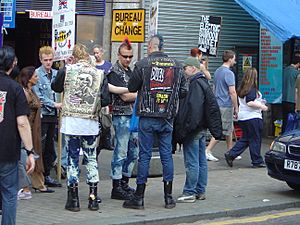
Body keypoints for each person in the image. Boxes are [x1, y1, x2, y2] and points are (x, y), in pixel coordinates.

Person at [123, 35, 188, 210]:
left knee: (144, 155)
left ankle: (139, 197)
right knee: (167, 155)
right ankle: (168, 198)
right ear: (162, 47)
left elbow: (131, 87)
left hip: (147, 115)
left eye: (148, 47)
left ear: (151, 47)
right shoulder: (177, 65)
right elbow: (184, 90)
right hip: (167, 116)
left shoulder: (143, 64)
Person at [174, 57, 222, 203]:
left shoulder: (194, 84)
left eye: (185, 67)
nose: (183, 70)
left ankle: (189, 192)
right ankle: (200, 190)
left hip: (193, 130)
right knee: (201, 161)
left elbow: (193, 110)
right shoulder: (202, 82)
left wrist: (185, 130)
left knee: (192, 162)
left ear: (193, 68)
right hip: (201, 129)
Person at [0, 45, 35, 225]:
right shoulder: (15, 89)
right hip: (6, 149)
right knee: (9, 194)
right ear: (11, 65)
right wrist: (30, 151)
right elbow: (22, 122)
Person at [107, 38, 139, 201]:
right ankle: (116, 186)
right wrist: (140, 94)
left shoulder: (130, 72)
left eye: (130, 56)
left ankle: (124, 182)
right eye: (125, 56)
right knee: (120, 151)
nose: (128, 59)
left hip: (133, 116)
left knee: (133, 152)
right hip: (121, 116)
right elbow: (126, 96)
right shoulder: (114, 72)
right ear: (118, 55)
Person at [18, 66, 55, 193]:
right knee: (26, 155)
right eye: (35, 76)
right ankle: (26, 187)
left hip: (34, 127)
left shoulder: (31, 90)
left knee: (36, 153)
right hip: (26, 127)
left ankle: (37, 184)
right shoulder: (24, 92)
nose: (37, 77)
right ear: (29, 78)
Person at [224, 68, 268, 168]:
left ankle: (231, 154)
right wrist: (262, 106)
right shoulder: (252, 88)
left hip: (243, 117)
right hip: (253, 117)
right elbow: (250, 102)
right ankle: (257, 161)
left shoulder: (242, 88)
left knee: (246, 139)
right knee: (255, 139)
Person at [32, 46, 62, 188]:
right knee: (42, 145)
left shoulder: (56, 73)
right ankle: (39, 175)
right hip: (43, 114)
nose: (48, 63)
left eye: (50, 60)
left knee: (50, 145)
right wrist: (54, 104)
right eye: (46, 60)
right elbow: (39, 97)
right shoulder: (37, 74)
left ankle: (47, 174)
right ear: (41, 60)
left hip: (54, 115)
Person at [205, 50, 239, 162]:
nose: (235, 61)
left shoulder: (218, 71)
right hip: (226, 104)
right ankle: (207, 150)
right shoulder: (229, 73)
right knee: (221, 130)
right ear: (230, 59)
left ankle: (231, 151)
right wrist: (236, 107)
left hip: (218, 102)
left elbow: (214, 88)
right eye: (234, 58)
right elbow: (232, 92)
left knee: (229, 128)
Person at [93, 45, 114, 153]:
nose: (96, 55)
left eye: (97, 52)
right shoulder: (92, 65)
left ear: (102, 53)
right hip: (95, 99)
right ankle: (96, 148)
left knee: (105, 123)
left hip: (105, 99)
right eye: (94, 53)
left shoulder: (108, 66)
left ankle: (105, 141)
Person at [282, 56, 300, 133]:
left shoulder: (284, 70)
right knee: (293, 121)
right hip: (292, 99)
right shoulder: (297, 73)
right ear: (298, 64)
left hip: (283, 99)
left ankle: (283, 134)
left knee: (285, 119)